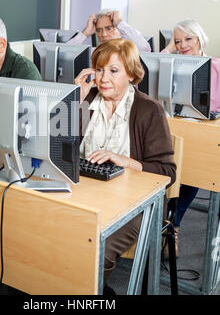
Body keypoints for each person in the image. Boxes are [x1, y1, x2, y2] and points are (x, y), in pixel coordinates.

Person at [75, 38, 176, 293]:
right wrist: (73, 102)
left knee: (98, 246)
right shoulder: (87, 101)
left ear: (131, 75)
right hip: (87, 192)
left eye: (113, 70)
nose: (103, 78)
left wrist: (126, 161)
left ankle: (89, 291)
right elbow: (56, 146)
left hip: (135, 206)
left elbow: (167, 172)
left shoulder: (148, 110)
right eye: (99, 69)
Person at [162, 18, 220, 256]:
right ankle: (164, 223)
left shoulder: (216, 66)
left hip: (206, 137)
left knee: (191, 171)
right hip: (176, 130)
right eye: (178, 41)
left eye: (188, 39)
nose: (183, 44)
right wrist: (169, 50)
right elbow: (148, 71)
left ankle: (172, 225)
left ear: (199, 39)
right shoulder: (171, 66)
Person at [67, 8, 151, 52]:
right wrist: (86, 32)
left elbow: (144, 48)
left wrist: (120, 23)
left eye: (108, 28)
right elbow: (65, 53)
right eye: (99, 30)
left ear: (119, 30)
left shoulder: (128, 53)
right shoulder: (95, 52)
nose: (103, 34)